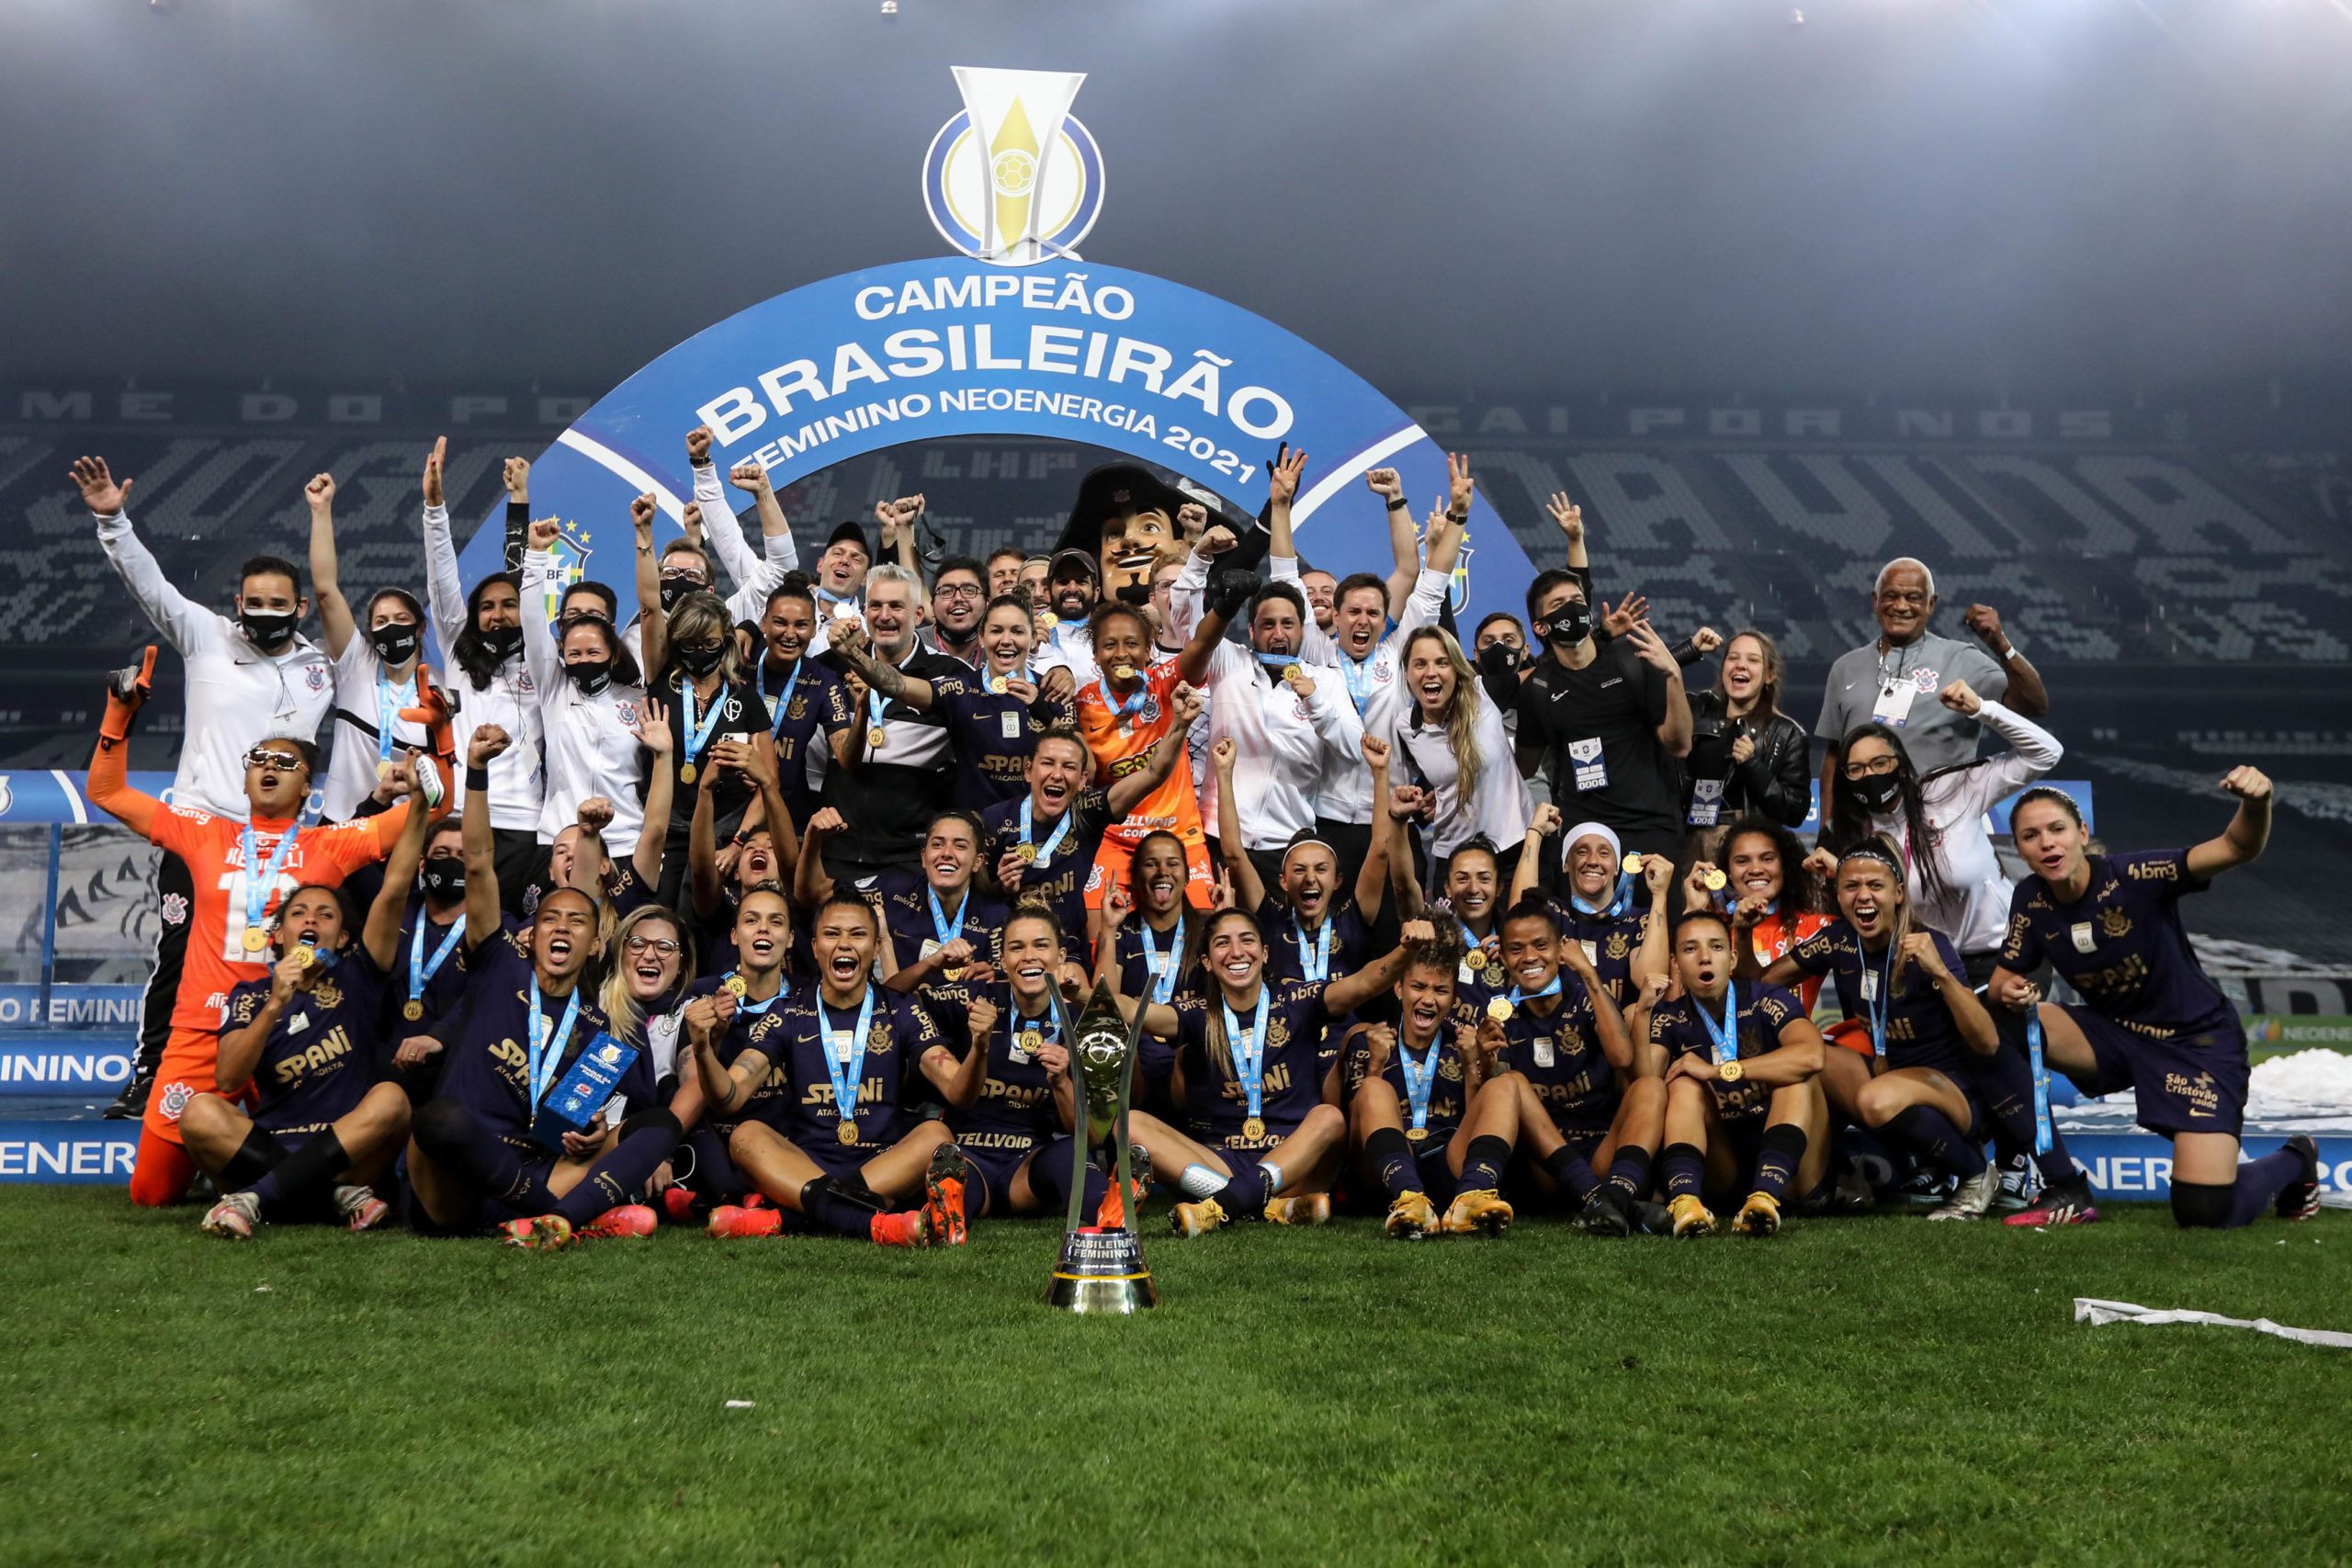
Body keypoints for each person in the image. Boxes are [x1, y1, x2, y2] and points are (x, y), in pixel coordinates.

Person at [87, 653, 453, 1208]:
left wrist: (442, 739)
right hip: (202, 1028)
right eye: (259, 758)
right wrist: (118, 716)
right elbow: (108, 793)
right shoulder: (203, 832)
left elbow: (436, 802)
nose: (269, 765)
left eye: (285, 762)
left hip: (296, 1028)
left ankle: (271, 1187)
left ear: (308, 788)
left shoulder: (329, 846)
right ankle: (316, 1192)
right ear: (245, 776)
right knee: (152, 1193)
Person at [77, 454, 337, 1120]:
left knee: (279, 961)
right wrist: (113, 519)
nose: (266, 613)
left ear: (300, 606)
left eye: (280, 604)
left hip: (284, 842)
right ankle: (150, 1071)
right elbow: (150, 584)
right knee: (178, 953)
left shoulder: (320, 667)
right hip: (200, 832)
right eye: (255, 603)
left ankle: (277, 1073)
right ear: (237, 604)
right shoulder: (206, 637)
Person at [1986, 777, 2323, 1230]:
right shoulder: (2030, 898)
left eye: (2057, 829)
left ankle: (2296, 1158)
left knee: (2204, 1212)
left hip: (2196, 1043)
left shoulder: (2136, 875)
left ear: (2082, 833)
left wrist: (2258, 801)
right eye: (2031, 836)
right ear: (2020, 850)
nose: (2047, 843)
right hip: (2113, 1035)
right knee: (1993, 1021)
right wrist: (2007, 991)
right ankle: (2065, 1186)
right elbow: (2000, 984)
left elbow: (2236, 847)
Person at [402, 725, 679, 1247]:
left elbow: (563, 1130)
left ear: (597, 945)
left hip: (539, 1164)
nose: (561, 928)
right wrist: (477, 771)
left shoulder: (598, 1027)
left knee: (659, 1125)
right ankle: (561, 1216)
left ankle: (549, 1217)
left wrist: (589, 1131)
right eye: (550, 920)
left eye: (577, 924)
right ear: (528, 936)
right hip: (460, 1181)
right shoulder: (497, 967)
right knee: (437, 1120)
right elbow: (480, 863)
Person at [1750, 840, 2086, 1223]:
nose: (1863, 896)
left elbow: (1987, 1042)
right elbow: (1762, 984)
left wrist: (1940, 973)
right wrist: (1744, 937)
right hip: (1890, 1075)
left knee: (1875, 1099)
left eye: (1875, 886)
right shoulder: (1839, 940)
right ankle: (1835, 1176)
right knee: (1811, 1060)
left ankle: (1977, 1174)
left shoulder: (1930, 946)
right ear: (1837, 893)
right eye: (1851, 886)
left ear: (1897, 893)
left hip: (1956, 1091)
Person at [183, 768, 442, 1237]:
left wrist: (420, 805)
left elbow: (395, 888)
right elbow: (228, 1078)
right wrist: (275, 1004)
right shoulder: (253, 995)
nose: (311, 920)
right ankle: (328, 1200)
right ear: (278, 936)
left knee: (392, 1100)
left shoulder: (359, 972)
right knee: (199, 1111)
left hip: (351, 1155)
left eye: (326, 915)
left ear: (343, 938)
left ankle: (260, 1197)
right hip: (273, 1147)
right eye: (298, 913)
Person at [1110, 908, 1433, 1235]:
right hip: (1222, 1160)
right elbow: (1134, 1011)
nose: (1237, 951)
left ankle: (1228, 1203)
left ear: (1265, 953)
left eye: (1247, 940)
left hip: (1297, 1162)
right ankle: (1270, 1207)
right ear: (1206, 961)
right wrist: (1079, 991)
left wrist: (1408, 950)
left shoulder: (1298, 998)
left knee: (1329, 1118)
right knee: (1129, 1124)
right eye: (1222, 943)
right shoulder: (1199, 1013)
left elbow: (1365, 983)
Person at [693, 894, 969, 1247]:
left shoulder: (901, 1010)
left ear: (875, 946)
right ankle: (878, 1224)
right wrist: (703, 1050)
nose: (844, 944)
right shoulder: (788, 1012)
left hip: (882, 1161)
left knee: (936, 1134)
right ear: (815, 946)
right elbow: (729, 1097)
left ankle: (787, 1218)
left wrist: (979, 1047)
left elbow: (959, 1090)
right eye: (832, 934)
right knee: (745, 1136)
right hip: (806, 1163)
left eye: (857, 934)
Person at [1446, 892, 1667, 1237]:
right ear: (1502, 957)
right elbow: (1487, 1112)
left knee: (1651, 1087)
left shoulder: (1585, 994)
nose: (1530, 957)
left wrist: (1589, 974)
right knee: (1511, 1082)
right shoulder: (1497, 1014)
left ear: (1560, 949)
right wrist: (1481, 1065)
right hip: (1541, 1165)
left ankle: (1615, 1195)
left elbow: (1622, 1058)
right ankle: (1605, 1201)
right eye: (1516, 949)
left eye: (1540, 945)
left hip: (1599, 1151)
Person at [1810, 681, 2061, 981]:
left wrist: (1983, 710)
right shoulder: (1848, 836)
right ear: (1845, 778)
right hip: (1927, 968)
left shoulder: (1951, 789)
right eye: (1857, 769)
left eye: (1880, 763)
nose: (1870, 775)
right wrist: (1844, 873)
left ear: (1901, 766)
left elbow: (2046, 753)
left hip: (2004, 955)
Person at [1283, 459, 1464, 872]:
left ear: (1386, 620)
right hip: (1327, 818)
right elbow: (1284, 574)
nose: (1363, 620)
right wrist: (1281, 506)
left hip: (1392, 814)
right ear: (1336, 614)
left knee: (1403, 921)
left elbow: (1426, 575)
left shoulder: (1397, 653)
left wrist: (1442, 511)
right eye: (1353, 612)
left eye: (1373, 613)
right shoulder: (1315, 648)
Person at [1174, 513, 1367, 892]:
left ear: (1301, 630)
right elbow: (1185, 628)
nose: (1278, 634)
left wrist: (1314, 702)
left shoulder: (1325, 680)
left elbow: (1353, 748)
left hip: (1288, 845)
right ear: (1251, 631)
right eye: (1267, 625)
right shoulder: (1229, 660)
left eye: (1288, 624)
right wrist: (1198, 559)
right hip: (1216, 835)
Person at [916, 905, 1117, 1223]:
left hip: (1030, 1166)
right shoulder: (973, 1001)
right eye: (1016, 947)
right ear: (1002, 961)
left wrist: (1064, 1081)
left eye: (1041, 945)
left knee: (1073, 1155)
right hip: (968, 1153)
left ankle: (1107, 1215)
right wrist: (978, 1047)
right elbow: (896, 1002)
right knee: (953, 1174)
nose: (1029, 956)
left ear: (1061, 956)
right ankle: (946, 1220)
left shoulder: (1081, 1020)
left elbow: (1091, 1136)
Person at [1645, 908, 1832, 1238]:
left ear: (1732, 959)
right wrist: (1642, 1013)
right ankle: (1685, 1201)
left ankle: (1764, 1197)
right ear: (1675, 963)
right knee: (1682, 1082)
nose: (1705, 958)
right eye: (1691, 949)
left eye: (1716, 947)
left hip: (1793, 1177)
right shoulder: (1669, 1016)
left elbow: (1812, 1055)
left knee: (1797, 1076)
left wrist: (1719, 1071)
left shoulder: (1766, 998)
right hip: (1725, 1169)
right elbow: (1644, 1085)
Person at [1815, 558, 2048, 818]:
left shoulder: (1963, 659)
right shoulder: (1845, 667)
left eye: (1913, 597)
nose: (1901, 606)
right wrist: (1827, 828)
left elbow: (2034, 705)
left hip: (1945, 825)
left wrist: (2001, 645)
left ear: (1931, 604)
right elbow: (1834, 756)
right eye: (1891, 596)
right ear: (1875, 600)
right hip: (1864, 825)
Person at [1506, 553, 1694, 868]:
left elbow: (1680, 745)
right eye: (1559, 604)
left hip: (1650, 825)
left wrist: (1674, 676)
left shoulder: (1634, 659)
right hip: (1584, 832)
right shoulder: (1537, 689)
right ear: (1540, 627)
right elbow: (1521, 768)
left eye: (1577, 600)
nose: (1572, 608)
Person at [422, 444, 546, 913]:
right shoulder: (458, 653)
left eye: (508, 605)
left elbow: (524, 576)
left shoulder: (543, 659)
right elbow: (441, 579)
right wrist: (435, 507)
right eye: (487, 607)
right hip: (458, 818)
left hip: (523, 826)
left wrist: (520, 499)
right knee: (447, 929)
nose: (497, 614)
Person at [983, 709, 1201, 959]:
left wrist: (1181, 722)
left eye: (1068, 767)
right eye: (1047, 763)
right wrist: (1001, 887)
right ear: (1028, 770)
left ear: (1082, 780)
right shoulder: (995, 819)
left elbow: (1153, 774)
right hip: (1010, 952)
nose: (1057, 774)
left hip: (1068, 953)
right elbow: (975, 895)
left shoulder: (1086, 812)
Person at [829, 593, 1071, 809]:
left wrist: (1045, 715)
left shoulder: (1053, 690)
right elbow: (899, 685)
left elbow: (1086, 767)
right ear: (982, 637)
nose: (1006, 640)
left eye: (1017, 631)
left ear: (1032, 639)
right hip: (973, 835)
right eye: (996, 631)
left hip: (1038, 832)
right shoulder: (960, 687)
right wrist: (853, 655)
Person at [520, 504, 658, 861]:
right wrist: (535, 556)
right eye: (574, 655)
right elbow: (532, 621)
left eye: (593, 654)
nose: (583, 662)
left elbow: (653, 610)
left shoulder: (640, 699)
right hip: (560, 841)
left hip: (626, 844)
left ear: (614, 653)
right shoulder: (553, 688)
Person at [1342, 928, 1495, 1240]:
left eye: (1441, 990)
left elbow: (1474, 1126)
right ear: (1398, 987)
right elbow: (1353, 1128)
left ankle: (1464, 1201)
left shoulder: (1462, 1045)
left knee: (1500, 1089)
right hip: (1382, 1176)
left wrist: (1471, 1067)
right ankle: (1409, 1197)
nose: (1428, 999)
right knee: (1374, 1088)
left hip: (1446, 1166)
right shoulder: (1367, 1041)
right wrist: (1375, 1066)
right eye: (1418, 987)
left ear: (1453, 999)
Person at [815, 565, 966, 880]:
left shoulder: (952, 675)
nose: (884, 616)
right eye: (875, 606)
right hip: (837, 850)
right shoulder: (828, 667)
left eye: (897, 606)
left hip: (910, 858)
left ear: (919, 613)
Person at [303, 472, 438, 822]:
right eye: (380, 622)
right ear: (369, 632)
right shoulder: (356, 665)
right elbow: (326, 591)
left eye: (400, 619)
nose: (390, 627)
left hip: (402, 834)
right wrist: (321, 511)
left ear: (421, 628)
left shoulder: (441, 689)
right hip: (340, 824)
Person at [1072, 601, 1216, 924]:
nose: (1121, 653)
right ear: (1095, 656)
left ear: (1149, 649)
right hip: (1114, 841)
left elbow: (1202, 645)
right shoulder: (1081, 704)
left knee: (1206, 933)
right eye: (1109, 645)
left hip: (1180, 837)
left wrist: (1226, 605)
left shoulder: (1165, 683)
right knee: (1099, 933)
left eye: (1132, 643)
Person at [1213, 735, 1395, 987]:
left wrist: (1381, 771)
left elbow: (1381, 851)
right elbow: (1234, 854)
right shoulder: (1272, 921)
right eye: (1299, 870)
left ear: (1337, 880)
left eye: (1321, 869)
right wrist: (1224, 773)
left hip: (1345, 1028)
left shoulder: (1353, 921)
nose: (1310, 877)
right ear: (1284, 881)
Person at [649, 588, 776, 908]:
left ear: (726, 641)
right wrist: (644, 538)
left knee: (705, 927)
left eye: (710, 644)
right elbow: (649, 606)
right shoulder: (663, 683)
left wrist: (738, 844)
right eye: (690, 644)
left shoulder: (745, 698)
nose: (700, 652)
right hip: (669, 830)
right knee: (663, 922)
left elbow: (768, 784)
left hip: (725, 835)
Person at [797, 807, 1007, 991]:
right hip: (898, 1025)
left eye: (960, 846)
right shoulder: (891, 893)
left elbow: (1009, 980)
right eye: (937, 844)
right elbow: (814, 895)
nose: (947, 853)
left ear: (978, 862)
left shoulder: (996, 916)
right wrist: (812, 839)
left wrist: (997, 977)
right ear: (924, 857)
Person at [1389, 626, 1532, 874]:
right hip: (1454, 856)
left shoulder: (1484, 694)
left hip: (1514, 850)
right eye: (1420, 664)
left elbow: (1543, 675)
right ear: (1407, 673)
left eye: (1442, 663)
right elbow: (1440, 774)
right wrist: (1426, 800)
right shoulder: (1404, 726)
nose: (1430, 673)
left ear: (1455, 668)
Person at [1505, 809, 1668, 1008]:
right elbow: (1519, 918)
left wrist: (1660, 895)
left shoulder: (1637, 920)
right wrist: (1535, 833)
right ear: (1566, 864)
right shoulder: (1555, 913)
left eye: (1604, 853)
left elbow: (1650, 982)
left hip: (1617, 1031)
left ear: (1617, 867)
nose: (1592, 861)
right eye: (1582, 851)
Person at [596, 905, 699, 1216]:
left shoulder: (689, 1013)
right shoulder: (594, 1008)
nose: (650, 955)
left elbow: (695, 1083)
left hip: (657, 1136)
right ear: (620, 954)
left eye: (664, 946)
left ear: (681, 965)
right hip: (595, 1139)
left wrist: (657, 1149)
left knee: (672, 1090)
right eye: (638, 943)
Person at [749, 575, 853, 834]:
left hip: (788, 818)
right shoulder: (740, 663)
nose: (790, 634)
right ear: (763, 623)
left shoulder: (823, 680)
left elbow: (846, 755)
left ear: (815, 629)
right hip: (727, 811)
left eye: (801, 625)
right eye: (780, 623)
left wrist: (860, 708)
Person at [1684, 630, 1810, 831]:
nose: (1740, 665)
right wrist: (1689, 650)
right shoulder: (1699, 710)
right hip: (1691, 846)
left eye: (1753, 660)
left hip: (1749, 848)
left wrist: (1753, 765)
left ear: (1770, 676)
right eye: (1733, 658)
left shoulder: (1786, 733)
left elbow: (1795, 811)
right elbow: (1648, 684)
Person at [922, 554, 989, 668]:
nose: (958, 598)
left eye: (969, 591)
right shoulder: (913, 645)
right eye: (947, 591)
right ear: (932, 607)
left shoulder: (999, 648)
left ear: (987, 604)